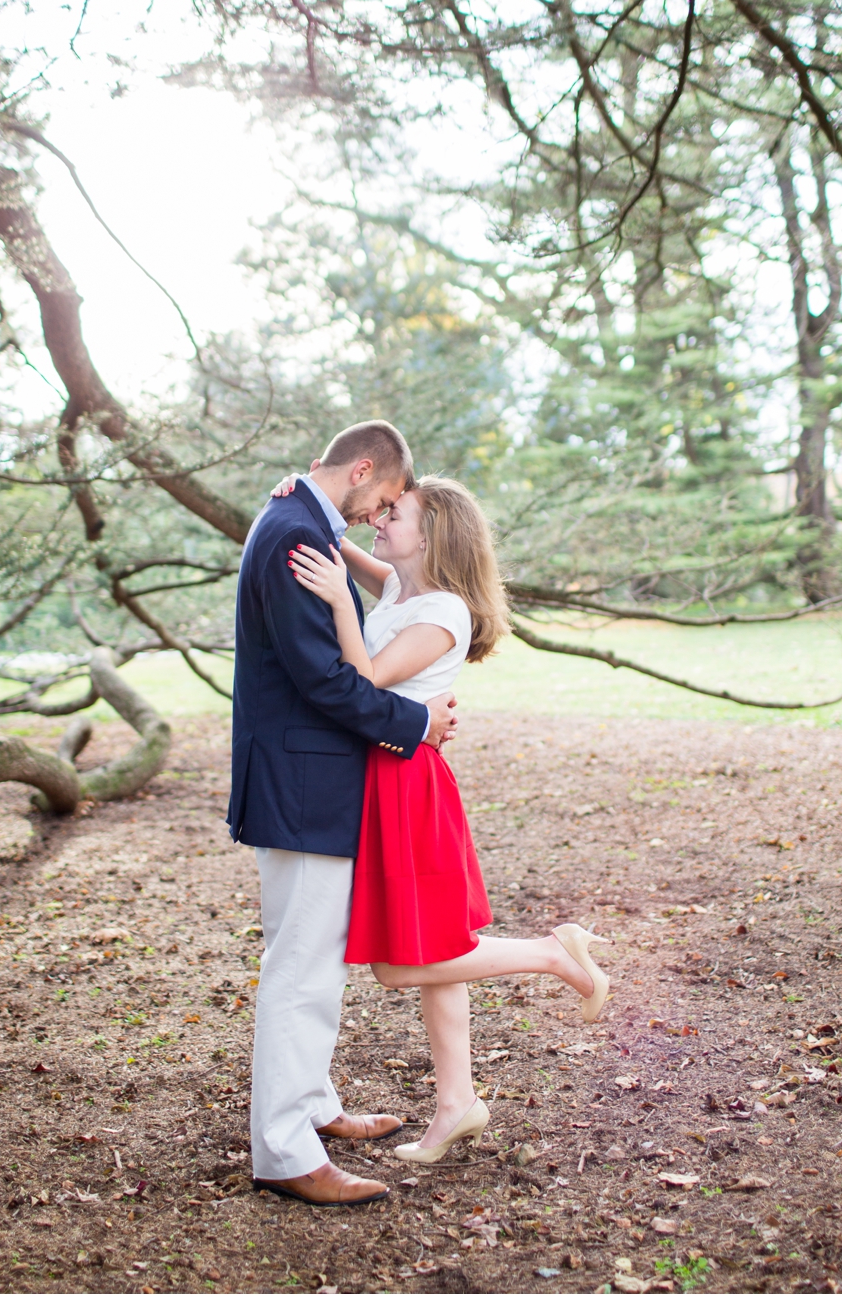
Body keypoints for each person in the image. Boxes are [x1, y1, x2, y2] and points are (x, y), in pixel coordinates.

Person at [282, 470, 611, 1165]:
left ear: (432, 537)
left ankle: (554, 953)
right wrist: (309, 488)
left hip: (409, 785)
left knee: (404, 965)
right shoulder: (403, 585)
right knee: (440, 951)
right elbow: (337, 537)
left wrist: (341, 598)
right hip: (388, 775)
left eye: (395, 512)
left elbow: (365, 675)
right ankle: (456, 1102)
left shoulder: (444, 613)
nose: (381, 517)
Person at [230, 420, 458, 1208]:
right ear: (363, 470)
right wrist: (417, 726)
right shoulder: (297, 531)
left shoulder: (300, 516)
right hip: (303, 782)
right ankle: (286, 1150)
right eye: (386, 497)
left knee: (306, 956)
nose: (380, 513)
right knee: (303, 968)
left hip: (305, 779)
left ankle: (313, 1105)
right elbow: (326, 681)